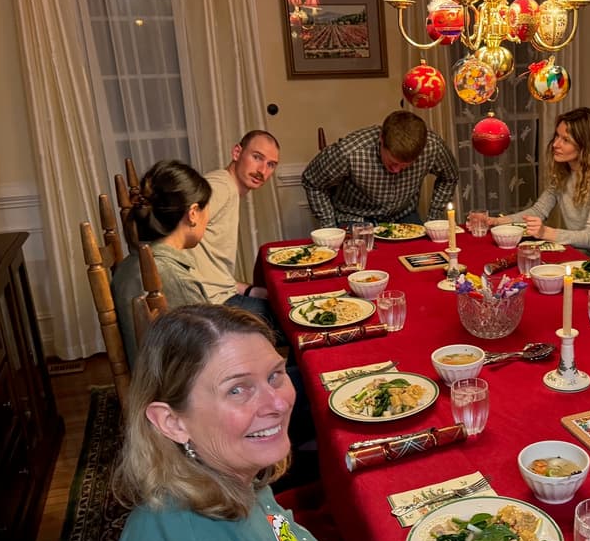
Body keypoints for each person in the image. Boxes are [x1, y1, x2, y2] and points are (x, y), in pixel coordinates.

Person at [112, 305, 400, 541]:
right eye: (238, 389)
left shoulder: (232, 480)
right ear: (172, 422)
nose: (277, 403)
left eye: (275, 375)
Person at [488, 107, 590, 264]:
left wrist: (545, 232)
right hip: (575, 252)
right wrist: (495, 221)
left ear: (585, 145)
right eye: (557, 136)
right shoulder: (565, 169)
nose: (555, 144)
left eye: (565, 140)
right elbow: (538, 211)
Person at [111, 160, 211, 369]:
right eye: (206, 209)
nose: (207, 219)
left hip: (150, 378)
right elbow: (210, 351)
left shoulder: (128, 265)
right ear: (193, 213)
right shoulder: (173, 278)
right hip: (180, 389)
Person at [302, 110, 458, 227]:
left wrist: (434, 218)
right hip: (355, 217)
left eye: (405, 166)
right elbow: (312, 181)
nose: (396, 170)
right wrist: (330, 227)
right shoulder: (350, 152)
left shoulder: (432, 146)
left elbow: (450, 176)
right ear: (381, 140)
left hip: (404, 214)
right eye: (393, 162)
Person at [192, 129, 281, 310]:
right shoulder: (220, 188)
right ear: (237, 153)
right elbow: (173, 239)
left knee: (280, 298)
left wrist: (250, 290)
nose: (262, 170)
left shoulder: (228, 187)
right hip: (209, 306)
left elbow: (212, 275)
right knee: (289, 317)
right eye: (257, 157)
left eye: (271, 164)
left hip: (219, 295)